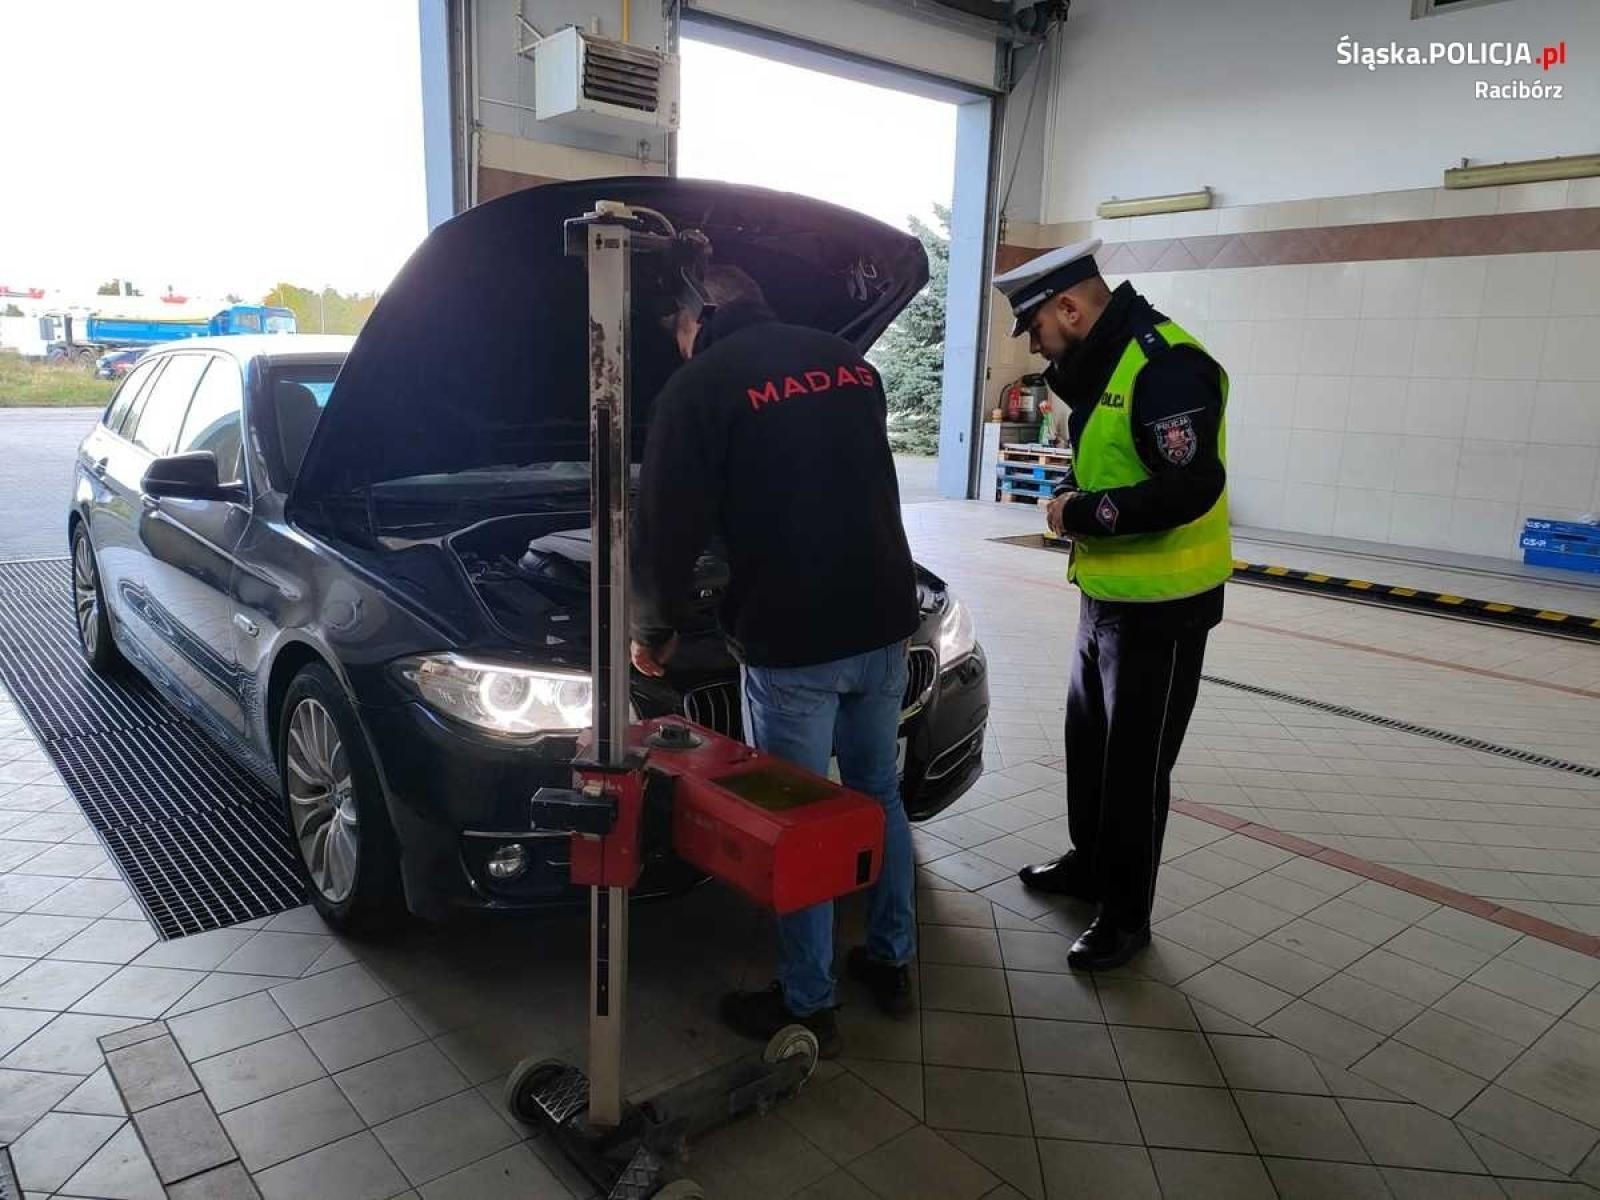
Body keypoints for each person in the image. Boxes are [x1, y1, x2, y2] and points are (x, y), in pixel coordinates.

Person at [630, 263, 920, 1057]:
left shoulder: (703, 385)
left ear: (701, 313)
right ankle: (891, 959)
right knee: (875, 789)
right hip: (886, 617)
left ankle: (808, 1000)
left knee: (797, 817)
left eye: (679, 331)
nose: (681, 346)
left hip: (795, 638)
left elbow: (667, 524)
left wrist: (654, 626)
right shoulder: (849, 364)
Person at [992, 238, 1231, 971]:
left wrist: (1080, 513)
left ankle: (1125, 917)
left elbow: (1192, 486)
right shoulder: (1108, 362)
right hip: (1108, 599)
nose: (1035, 344)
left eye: (1036, 327)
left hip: (1164, 607)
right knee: (1089, 749)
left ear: (1071, 307)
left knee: (1135, 770)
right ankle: (1090, 865)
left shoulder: (1166, 366)